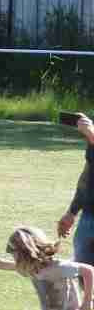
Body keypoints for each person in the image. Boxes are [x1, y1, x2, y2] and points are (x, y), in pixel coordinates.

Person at [55, 112, 94, 268]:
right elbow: (87, 178)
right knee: (82, 274)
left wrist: (91, 135)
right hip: (88, 218)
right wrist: (72, 211)